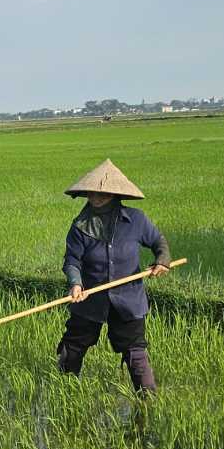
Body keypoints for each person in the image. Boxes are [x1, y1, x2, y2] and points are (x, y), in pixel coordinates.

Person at [57, 159, 171, 394]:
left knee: (135, 351)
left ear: (114, 195)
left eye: (103, 194)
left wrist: (162, 261)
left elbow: (158, 242)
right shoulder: (80, 227)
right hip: (90, 298)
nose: (96, 198)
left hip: (127, 298)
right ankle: (65, 392)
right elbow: (72, 261)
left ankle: (148, 399)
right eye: (92, 194)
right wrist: (75, 284)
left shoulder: (136, 220)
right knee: (73, 346)